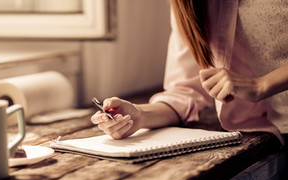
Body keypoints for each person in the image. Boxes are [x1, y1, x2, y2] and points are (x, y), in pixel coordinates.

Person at [91, 0, 288, 144]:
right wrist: (139, 115)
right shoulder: (187, 3)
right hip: (271, 140)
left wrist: (262, 84)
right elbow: (185, 91)